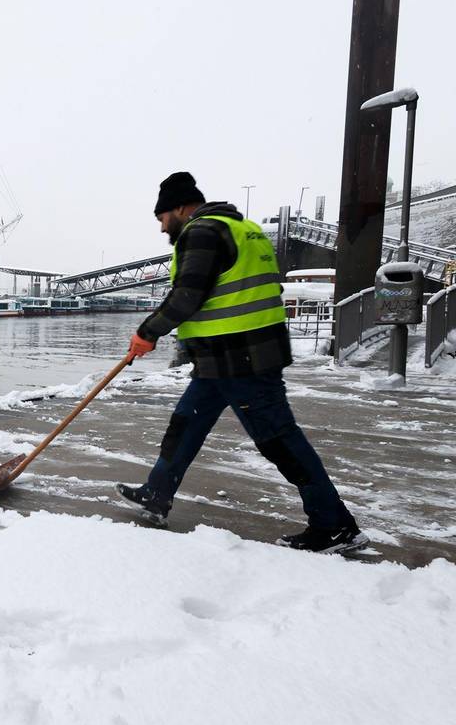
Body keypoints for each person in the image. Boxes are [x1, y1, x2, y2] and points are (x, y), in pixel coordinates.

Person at [117, 172, 364, 553]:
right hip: (225, 358)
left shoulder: (202, 232)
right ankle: (156, 493)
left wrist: (147, 332)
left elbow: (187, 295)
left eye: (162, 217)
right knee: (185, 425)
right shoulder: (245, 230)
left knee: (279, 440)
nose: (163, 226)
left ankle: (334, 525)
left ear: (180, 207)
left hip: (241, 359)